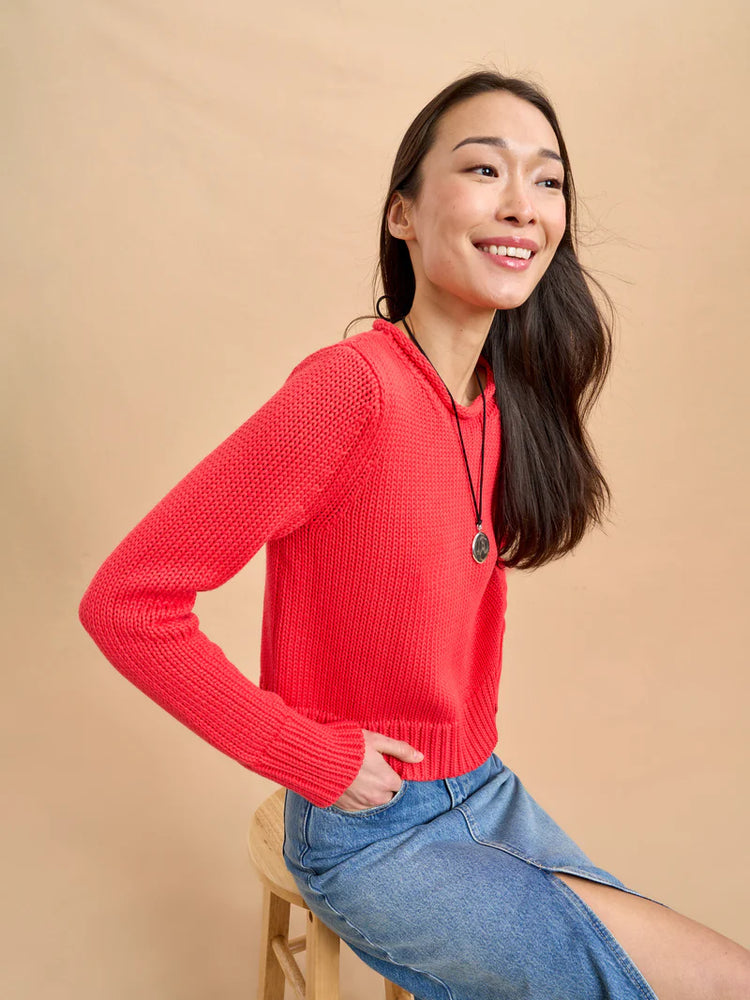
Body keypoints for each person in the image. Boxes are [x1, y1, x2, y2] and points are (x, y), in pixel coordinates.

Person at [79, 69, 750, 999]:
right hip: (370, 837)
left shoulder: (503, 403)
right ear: (402, 213)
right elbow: (126, 602)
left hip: (484, 792)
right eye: (484, 169)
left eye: (548, 180)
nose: (522, 205)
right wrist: (308, 754)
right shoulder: (350, 389)